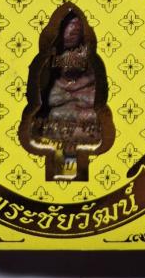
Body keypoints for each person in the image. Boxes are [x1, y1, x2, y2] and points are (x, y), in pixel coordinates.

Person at [31, 12, 102, 175]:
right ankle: (63, 170)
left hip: (85, 102)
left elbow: (95, 83)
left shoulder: (89, 52)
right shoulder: (51, 53)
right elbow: (45, 86)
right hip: (59, 102)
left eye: (77, 26)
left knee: (89, 118)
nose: (74, 29)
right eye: (69, 25)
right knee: (56, 115)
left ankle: (75, 171)